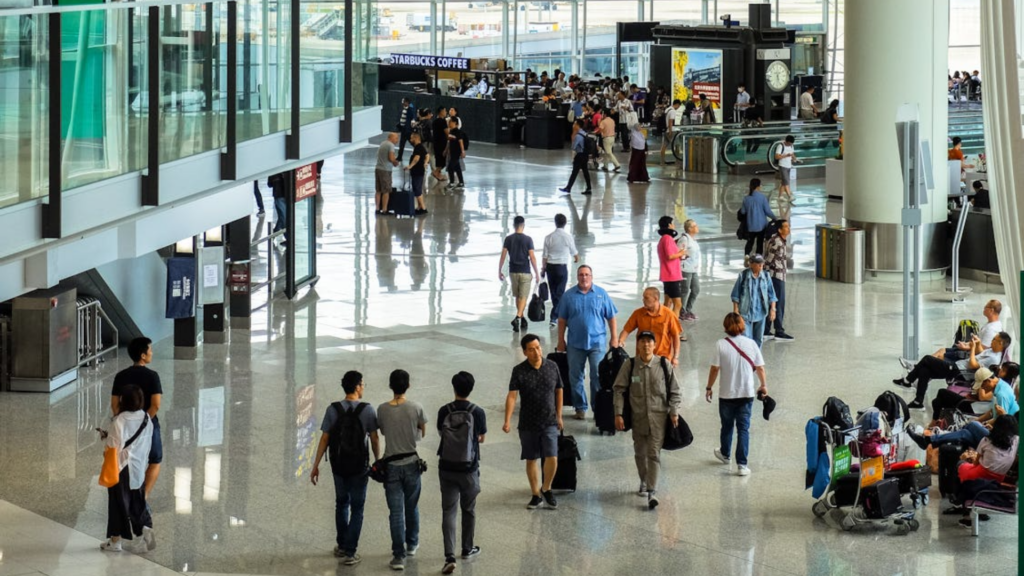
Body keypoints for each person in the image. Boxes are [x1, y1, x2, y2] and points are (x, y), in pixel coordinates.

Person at [309, 371, 381, 566]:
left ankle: (341, 545)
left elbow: (325, 438)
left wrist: (315, 465)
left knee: (341, 503)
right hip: (359, 467)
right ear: (357, 387)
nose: (363, 387)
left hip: (338, 465)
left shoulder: (333, 409)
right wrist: (378, 461)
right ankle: (350, 552)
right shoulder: (367, 410)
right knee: (357, 507)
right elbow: (374, 438)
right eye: (362, 384)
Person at [613, 331, 682, 509]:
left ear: (654, 345)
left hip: (659, 419)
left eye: (649, 342)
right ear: (638, 345)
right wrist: (618, 414)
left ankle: (652, 491)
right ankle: (644, 480)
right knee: (640, 453)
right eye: (642, 341)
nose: (646, 345)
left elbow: (675, 390)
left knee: (653, 453)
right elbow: (619, 389)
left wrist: (674, 412)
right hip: (638, 419)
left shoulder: (664, 364)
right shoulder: (630, 365)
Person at [503, 334, 565, 510]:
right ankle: (536, 494)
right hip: (528, 422)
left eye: (538, 348)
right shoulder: (519, 371)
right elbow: (512, 396)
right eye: (531, 349)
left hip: (549, 420)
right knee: (531, 459)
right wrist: (507, 420)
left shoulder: (552, 366)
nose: (536, 352)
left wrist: (559, 415)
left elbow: (559, 390)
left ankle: (546, 488)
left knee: (552, 456)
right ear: (524, 352)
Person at [377, 369, 428, 571]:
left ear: (390, 386)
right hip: (412, 463)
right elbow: (422, 432)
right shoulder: (416, 407)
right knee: (412, 505)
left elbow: (383, 431)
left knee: (396, 512)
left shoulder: (382, 409)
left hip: (391, 466)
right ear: (408, 385)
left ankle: (398, 556)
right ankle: (412, 544)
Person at [705, 313, 768, 477]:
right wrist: (763, 385)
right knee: (743, 429)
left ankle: (725, 454)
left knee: (727, 426)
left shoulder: (720, 345)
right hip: (746, 393)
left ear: (725, 326)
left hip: (727, 393)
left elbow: (715, 369)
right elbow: (760, 368)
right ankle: (742, 465)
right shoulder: (751, 344)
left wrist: (709, 387)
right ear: (742, 326)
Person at [437, 372, 486, 574]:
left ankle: (449, 556)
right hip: (469, 469)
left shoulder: (444, 410)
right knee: (469, 508)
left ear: (454, 387)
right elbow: (481, 438)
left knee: (449, 510)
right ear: (471, 388)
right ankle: (467, 548)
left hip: (447, 467)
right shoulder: (478, 412)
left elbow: (442, 433)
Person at [556, 265, 619, 419]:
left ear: (591, 276)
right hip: (575, 344)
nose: (584, 277)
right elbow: (562, 319)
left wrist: (614, 337)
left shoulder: (601, 294)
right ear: (577, 276)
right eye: (581, 275)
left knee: (597, 375)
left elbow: (611, 317)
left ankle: (598, 408)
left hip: (597, 343)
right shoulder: (568, 296)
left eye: (587, 274)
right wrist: (560, 340)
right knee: (575, 376)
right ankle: (580, 407)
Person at [99, 384, 155, 552]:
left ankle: (115, 541)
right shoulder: (146, 418)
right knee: (136, 500)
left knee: (117, 503)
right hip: (139, 466)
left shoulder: (120, 420)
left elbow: (112, 448)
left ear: (123, 400)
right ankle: (144, 528)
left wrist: (105, 439)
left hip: (121, 468)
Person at [893, 331, 1012, 409]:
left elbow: (972, 365)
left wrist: (972, 349)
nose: (991, 340)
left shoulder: (993, 358)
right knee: (925, 371)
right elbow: (980, 353)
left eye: (994, 339)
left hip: (959, 371)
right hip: (957, 366)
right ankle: (918, 402)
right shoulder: (992, 351)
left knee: (927, 359)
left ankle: (908, 380)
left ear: (1001, 343)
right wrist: (977, 344)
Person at [111, 337, 163, 501]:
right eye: (150, 350)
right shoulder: (152, 376)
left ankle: (126, 497)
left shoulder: (121, 376)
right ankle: (142, 497)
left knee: (124, 460)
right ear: (143, 355)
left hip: (124, 426)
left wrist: (123, 420)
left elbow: (115, 405)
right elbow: (155, 405)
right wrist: (144, 422)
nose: (152, 353)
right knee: (155, 459)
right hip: (149, 424)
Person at [953, 415, 1018, 527]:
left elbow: (976, 463)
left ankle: (961, 506)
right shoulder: (1016, 440)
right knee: (970, 476)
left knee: (960, 465)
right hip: (999, 478)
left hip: (981, 474)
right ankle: (971, 506)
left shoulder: (987, 440)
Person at [616, 287, 681, 367]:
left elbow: (675, 336)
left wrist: (675, 357)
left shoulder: (669, 315)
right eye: (643, 298)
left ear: (655, 298)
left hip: (662, 359)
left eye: (646, 298)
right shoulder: (638, 313)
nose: (643, 300)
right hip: (642, 359)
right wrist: (621, 341)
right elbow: (626, 330)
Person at [499, 215, 541, 332]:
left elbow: (503, 256)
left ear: (514, 225)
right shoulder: (528, 239)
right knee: (523, 296)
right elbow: (532, 257)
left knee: (518, 296)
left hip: (513, 271)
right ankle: (518, 317)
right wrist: (537, 273)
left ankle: (522, 319)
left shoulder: (508, 239)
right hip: (525, 271)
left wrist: (500, 270)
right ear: (523, 225)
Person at [730, 255, 777, 348]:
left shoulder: (766, 276)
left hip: (761, 312)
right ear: (751, 264)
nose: (761, 266)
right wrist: (735, 311)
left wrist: (773, 309)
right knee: (746, 339)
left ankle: (756, 356)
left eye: (762, 264)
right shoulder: (743, 276)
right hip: (745, 313)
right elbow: (735, 295)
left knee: (759, 339)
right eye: (758, 264)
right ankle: (747, 356)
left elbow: (772, 294)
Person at [542, 213, 580, 327]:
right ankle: (554, 317)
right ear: (565, 223)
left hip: (550, 268)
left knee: (554, 293)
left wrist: (543, 268)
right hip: (561, 268)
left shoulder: (548, 237)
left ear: (555, 222)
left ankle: (557, 316)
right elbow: (574, 253)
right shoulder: (568, 237)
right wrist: (576, 259)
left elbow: (545, 256)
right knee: (560, 293)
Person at [762, 219, 793, 342]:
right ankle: (779, 331)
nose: (788, 228)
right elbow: (768, 261)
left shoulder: (777, 239)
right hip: (776, 277)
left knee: (772, 303)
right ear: (780, 230)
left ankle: (766, 330)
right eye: (786, 226)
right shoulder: (777, 242)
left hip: (776, 276)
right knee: (778, 304)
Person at [655, 216, 687, 321]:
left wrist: (679, 255)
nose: (674, 225)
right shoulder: (667, 239)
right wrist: (681, 253)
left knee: (667, 302)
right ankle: (673, 326)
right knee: (677, 304)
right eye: (673, 223)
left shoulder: (664, 239)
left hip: (667, 274)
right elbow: (670, 256)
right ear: (669, 225)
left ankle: (663, 323)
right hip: (671, 275)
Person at [740, 178, 777, 259]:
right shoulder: (762, 197)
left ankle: (747, 255)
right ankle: (758, 258)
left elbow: (743, 211)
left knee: (750, 241)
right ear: (758, 186)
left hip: (750, 225)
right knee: (759, 243)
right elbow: (767, 211)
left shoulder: (746, 198)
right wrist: (775, 218)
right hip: (761, 226)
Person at [559, 119, 593, 195]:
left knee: (574, 172)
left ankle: (568, 188)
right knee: (585, 172)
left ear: (577, 125)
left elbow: (573, 147)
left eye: (574, 124)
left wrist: (573, 135)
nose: (573, 125)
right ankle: (588, 188)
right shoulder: (584, 133)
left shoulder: (578, 136)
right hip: (585, 155)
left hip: (580, 155)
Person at [677, 219, 701, 322]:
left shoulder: (693, 240)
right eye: (695, 226)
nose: (697, 227)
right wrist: (684, 255)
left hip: (693, 269)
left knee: (696, 289)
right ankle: (681, 311)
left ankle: (688, 309)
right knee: (685, 290)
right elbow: (679, 253)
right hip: (685, 269)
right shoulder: (684, 239)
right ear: (690, 228)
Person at [404, 132, 429, 215]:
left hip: (417, 172)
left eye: (412, 138)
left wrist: (410, 166)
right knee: (417, 189)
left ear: (416, 138)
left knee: (417, 189)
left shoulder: (418, 147)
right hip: (419, 171)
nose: (410, 140)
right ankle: (419, 207)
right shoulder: (421, 147)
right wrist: (425, 162)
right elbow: (427, 155)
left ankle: (423, 208)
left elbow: (416, 158)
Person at [375, 133, 400, 214]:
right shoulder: (391, 145)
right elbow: (391, 158)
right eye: (396, 138)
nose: (397, 140)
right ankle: (385, 210)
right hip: (385, 170)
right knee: (386, 190)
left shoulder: (382, 143)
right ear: (391, 138)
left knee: (378, 190)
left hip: (378, 168)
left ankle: (377, 208)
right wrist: (395, 162)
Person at [626, 113, 649, 183]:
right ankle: (634, 177)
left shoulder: (640, 134)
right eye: (639, 126)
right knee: (636, 163)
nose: (640, 127)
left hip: (640, 149)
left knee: (639, 163)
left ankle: (640, 177)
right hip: (637, 149)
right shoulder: (634, 134)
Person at [268, 171, 289, 245]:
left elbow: (269, 184)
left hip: (278, 195)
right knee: (283, 218)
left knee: (282, 218)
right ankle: (287, 238)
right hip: (283, 195)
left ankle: (273, 235)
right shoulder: (285, 171)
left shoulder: (274, 171)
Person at [774, 135, 797, 202]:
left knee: (784, 182)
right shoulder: (781, 146)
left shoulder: (791, 146)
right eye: (789, 143)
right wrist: (786, 155)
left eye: (791, 143)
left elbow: (792, 154)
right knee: (786, 182)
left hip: (789, 165)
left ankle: (780, 196)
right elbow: (777, 157)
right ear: (786, 141)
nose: (790, 145)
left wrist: (794, 158)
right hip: (782, 166)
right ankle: (789, 196)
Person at [445, 118, 466, 190]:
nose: (449, 123)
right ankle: (461, 182)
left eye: (451, 122)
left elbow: (461, 142)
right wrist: (446, 150)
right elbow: (449, 142)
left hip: (457, 152)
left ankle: (451, 183)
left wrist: (462, 151)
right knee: (457, 167)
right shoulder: (451, 131)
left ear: (455, 123)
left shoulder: (458, 132)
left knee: (450, 167)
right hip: (452, 152)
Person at [660, 99, 681, 165]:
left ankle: (662, 161)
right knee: (677, 146)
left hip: (665, 130)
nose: (678, 108)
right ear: (677, 104)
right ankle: (677, 161)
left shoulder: (667, 109)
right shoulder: (672, 111)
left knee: (664, 146)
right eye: (679, 106)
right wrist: (670, 131)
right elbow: (670, 121)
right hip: (671, 131)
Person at [432, 106, 450, 182]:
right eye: (445, 111)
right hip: (442, 143)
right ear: (441, 111)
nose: (446, 112)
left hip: (436, 142)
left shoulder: (434, 121)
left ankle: (438, 173)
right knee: (442, 159)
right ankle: (436, 172)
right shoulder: (443, 121)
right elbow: (446, 132)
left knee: (438, 158)